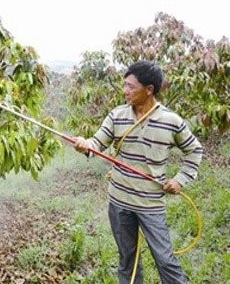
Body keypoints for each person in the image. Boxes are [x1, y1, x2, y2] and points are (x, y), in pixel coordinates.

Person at [74, 61, 203, 284]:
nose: (125, 91)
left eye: (131, 87)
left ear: (149, 89)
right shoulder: (117, 115)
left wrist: (180, 180)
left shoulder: (171, 122)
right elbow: (97, 143)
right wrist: (85, 144)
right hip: (120, 203)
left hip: (151, 205)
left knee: (165, 260)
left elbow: (194, 150)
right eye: (124, 85)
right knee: (128, 260)